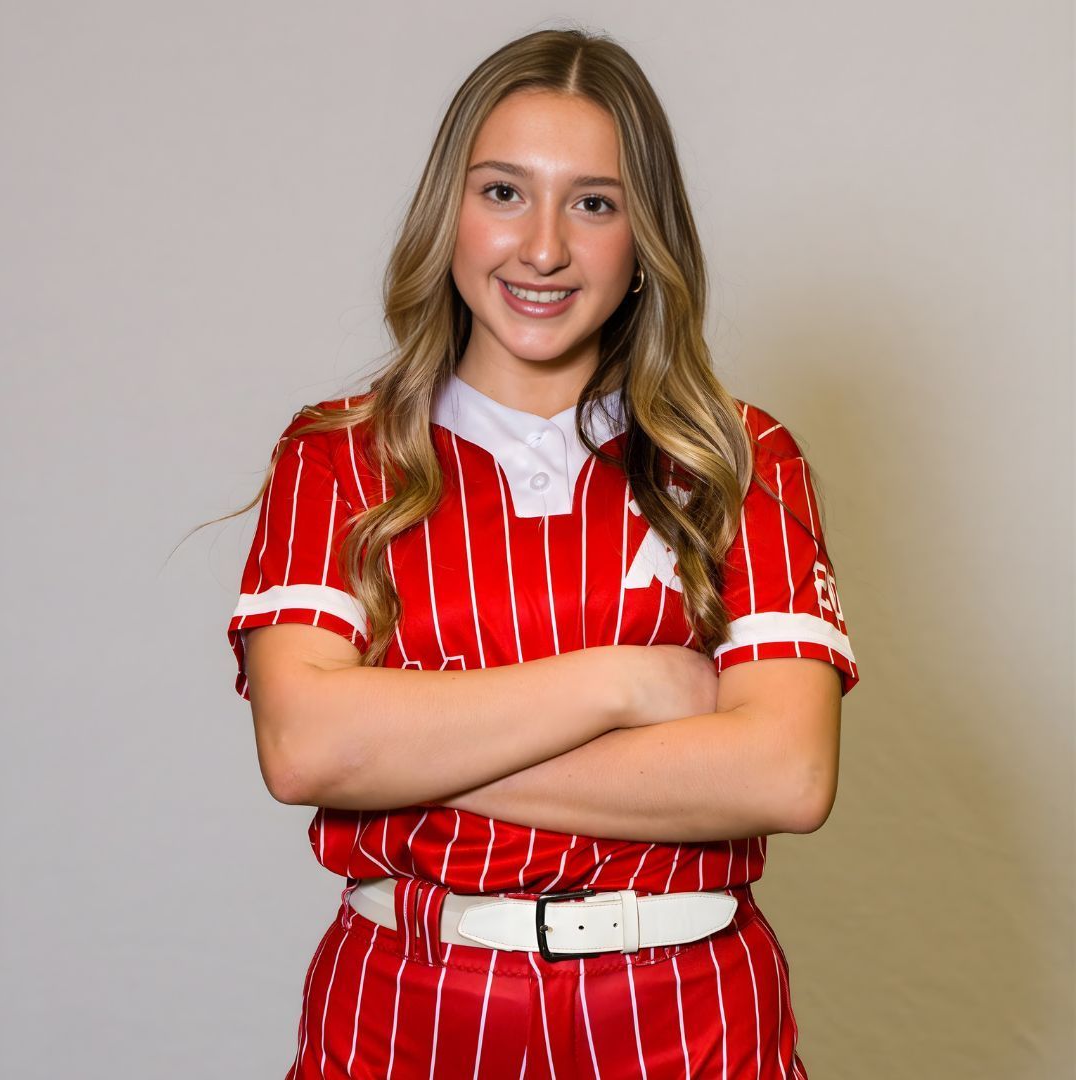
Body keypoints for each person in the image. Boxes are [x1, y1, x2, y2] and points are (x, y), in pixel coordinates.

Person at [224, 26, 859, 1080]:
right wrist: (631, 683)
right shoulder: (339, 457)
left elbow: (786, 773)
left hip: (690, 1023)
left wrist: (410, 740)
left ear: (644, 235)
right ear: (450, 210)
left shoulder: (741, 459)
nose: (544, 248)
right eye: (505, 192)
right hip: (408, 1014)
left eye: (595, 203)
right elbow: (305, 749)